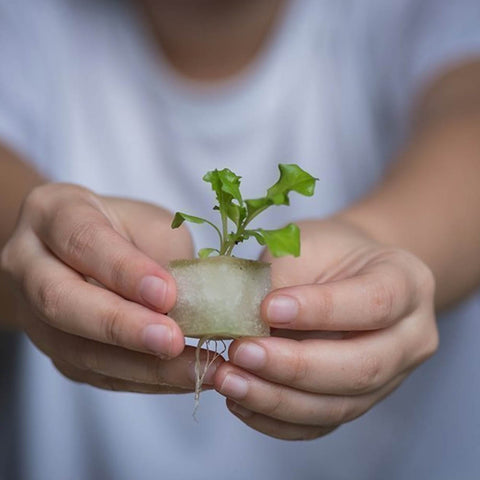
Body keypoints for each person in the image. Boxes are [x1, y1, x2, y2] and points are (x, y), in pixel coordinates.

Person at [1, 0, 480, 478]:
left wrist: (380, 240)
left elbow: (467, 123)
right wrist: (48, 238)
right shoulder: (28, 22)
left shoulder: (407, 13)